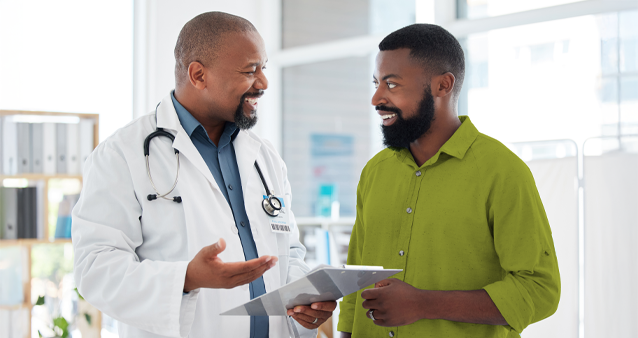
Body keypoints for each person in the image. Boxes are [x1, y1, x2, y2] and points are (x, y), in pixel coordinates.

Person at [72, 12, 335, 338]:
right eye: (249, 70)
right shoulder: (121, 155)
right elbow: (95, 269)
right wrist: (186, 278)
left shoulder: (265, 157)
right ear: (198, 74)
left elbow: (289, 251)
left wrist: (303, 299)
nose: (263, 82)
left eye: (263, 68)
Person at [337, 24, 560, 338]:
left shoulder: (503, 172)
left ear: (442, 85)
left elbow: (539, 290)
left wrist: (424, 304)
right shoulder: (375, 171)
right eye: (376, 83)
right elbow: (356, 279)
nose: (376, 98)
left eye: (392, 84)